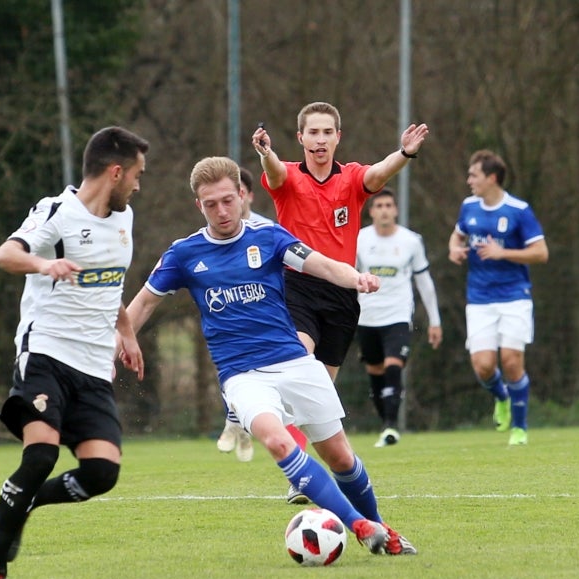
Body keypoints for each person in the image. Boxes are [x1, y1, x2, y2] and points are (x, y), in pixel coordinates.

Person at [125, 156, 417, 557]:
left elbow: (324, 265)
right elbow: (140, 306)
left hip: (295, 363)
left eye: (228, 200)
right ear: (199, 205)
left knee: (341, 458)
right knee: (279, 444)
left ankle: (383, 530)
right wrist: (121, 341)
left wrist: (358, 278)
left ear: (242, 195)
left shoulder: (269, 239)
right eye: (211, 204)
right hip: (242, 376)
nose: (222, 211)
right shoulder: (184, 254)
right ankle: (361, 526)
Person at [0, 126, 149, 579]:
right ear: (115, 172)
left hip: (93, 368)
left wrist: (126, 332)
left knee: (101, 473)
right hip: (46, 353)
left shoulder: (124, 221)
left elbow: (109, 285)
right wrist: (44, 264)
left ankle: (26, 504)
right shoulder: (56, 212)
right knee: (41, 456)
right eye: (135, 174)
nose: (138, 184)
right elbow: (5, 255)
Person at [251, 102, 429, 382]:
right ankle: (266, 420)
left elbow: (380, 172)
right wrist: (266, 153)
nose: (320, 139)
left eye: (327, 132)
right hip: (296, 286)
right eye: (313, 132)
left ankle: (297, 425)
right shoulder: (288, 177)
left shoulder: (352, 178)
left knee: (321, 388)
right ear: (301, 138)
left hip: (341, 291)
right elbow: (274, 172)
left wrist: (405, 153)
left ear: (338, 137)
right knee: (299, 361)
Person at [448, 150, 548, 445]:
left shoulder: (518, 210)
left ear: (491, 178)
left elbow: (541, 253)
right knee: (483, 366)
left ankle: (519, 427)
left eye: (474, 175)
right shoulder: (468, 207)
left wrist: (503, 252)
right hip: (479, 298)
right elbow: (457, 236)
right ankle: (501, 397)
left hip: (515, 296)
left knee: (512, 361)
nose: (469, 181)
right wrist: (454, 249)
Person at [355, 188, 442, 447]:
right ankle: (387, 424)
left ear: (395, 210)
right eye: (378, 205)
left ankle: (391, 426)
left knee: (394, 366)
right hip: (367, 316)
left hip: (398, 315)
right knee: (376, 372)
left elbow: (424, 282)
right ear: (371, 211)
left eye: (388, 205)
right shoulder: (359, 239)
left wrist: (435, 321)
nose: (384, 210)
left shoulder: (411, 241)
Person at [214, 167, 273, 463]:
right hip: (230, 315)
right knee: (234, 371)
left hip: (261, 316)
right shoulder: (215, 235)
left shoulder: (265, 229)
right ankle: (239, 423)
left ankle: (235, 421)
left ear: (246, 195)